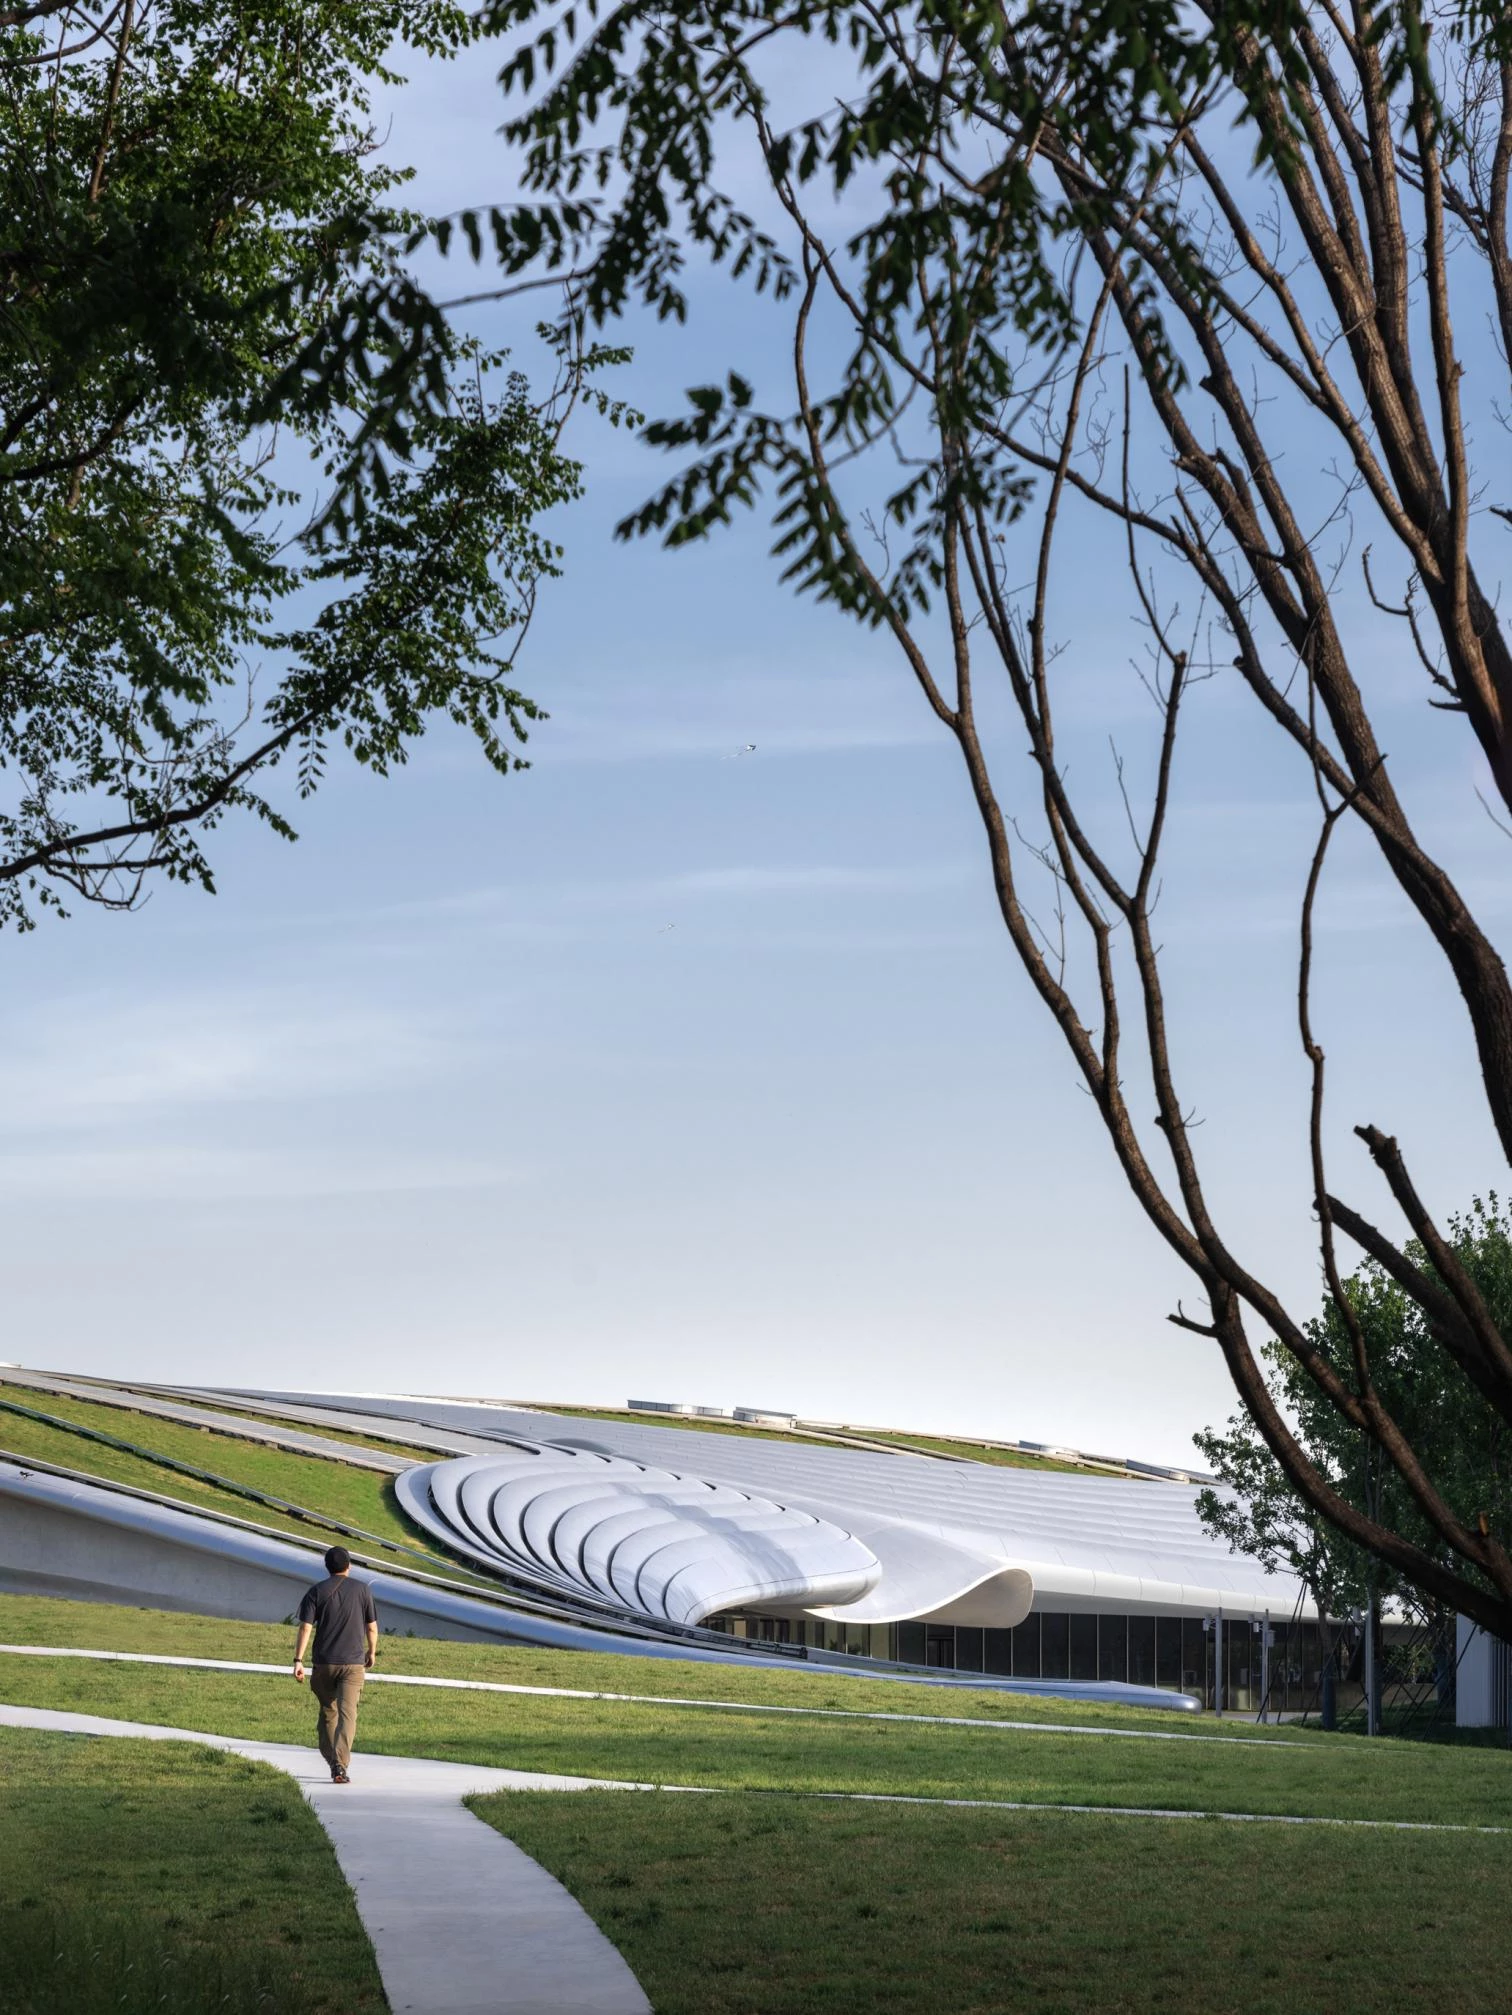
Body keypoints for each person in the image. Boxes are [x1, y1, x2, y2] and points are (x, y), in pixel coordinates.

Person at [292, 1545, 378, 1783]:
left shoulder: (316, 1591)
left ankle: (335, 1764)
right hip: (353, 1664)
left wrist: (298, 1660)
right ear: (349, 1566)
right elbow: (371, 1627)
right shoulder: (363, 1590)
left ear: (327, 1567)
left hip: (324, 1663)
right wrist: (371, 1651)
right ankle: (339, 1765)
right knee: (348, 1714)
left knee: (328, 1713)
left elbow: (305, 1627)